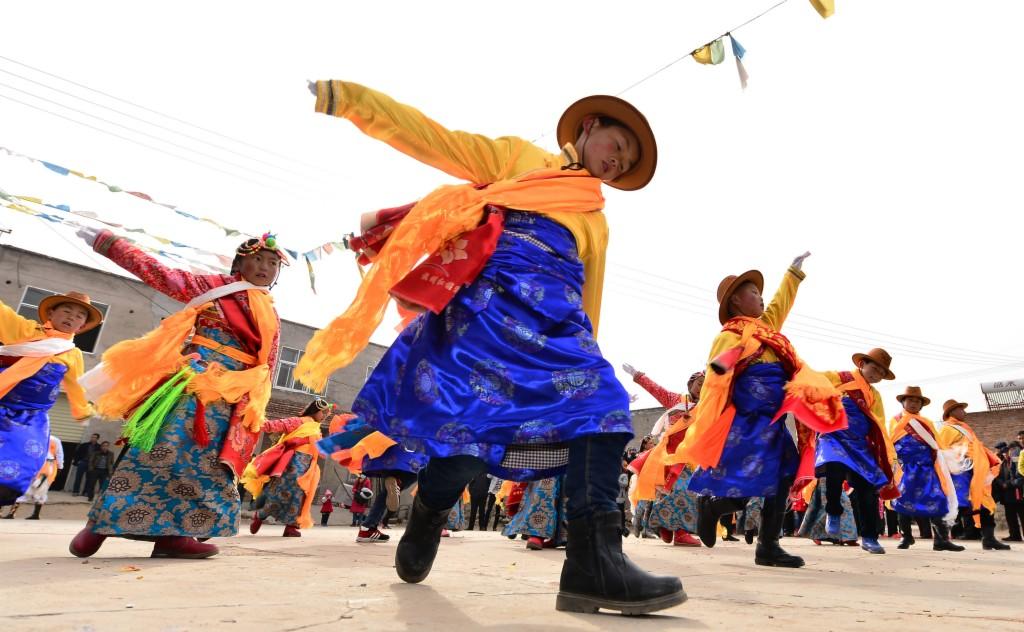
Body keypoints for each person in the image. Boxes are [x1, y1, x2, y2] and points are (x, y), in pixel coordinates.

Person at [303, 80, 683, 615]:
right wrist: (350, 100)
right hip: (487, 316)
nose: (615, 164)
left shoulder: (595, 218)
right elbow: (434, 137)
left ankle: (593, 564)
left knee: (604, 407)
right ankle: (429, 511)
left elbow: (585, 290)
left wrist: (585, 353)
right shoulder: (518, 159)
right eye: (616, 147)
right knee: (466, 447)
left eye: (624, 165)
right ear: (590, 128)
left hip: (555, 330)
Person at [69, 229, 285, 559]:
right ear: (239, 263)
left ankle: (174, 537)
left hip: (234, 396)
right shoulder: (215, 287)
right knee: (159, 450)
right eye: (257, 259)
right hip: (194, 384)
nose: (265, 267)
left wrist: (255, 404)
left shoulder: (269, 310)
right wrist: (107, 242)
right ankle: (99, 526)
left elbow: (268, 362)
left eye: (272, 263)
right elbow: (160, 274)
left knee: (209, 465)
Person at [672, 255, 848, 568]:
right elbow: (716, 379)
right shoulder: (729, 336)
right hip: (747, 422)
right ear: (736, 301)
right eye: (753, 292)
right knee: (746, 483)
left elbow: (780, 304)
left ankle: (768, 546)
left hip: (776, 420)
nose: (761, 298)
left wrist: (793, 274)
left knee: (782, 478)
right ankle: (713, 508)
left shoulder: (767, 331)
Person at [0, 291, 99, 504]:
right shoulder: (26, 330)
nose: (72, 317)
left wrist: (84, 411)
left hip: (31, 418)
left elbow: (77, 388)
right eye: (67, 310)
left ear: (81, 326)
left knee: (21, 462)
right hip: (2, 403)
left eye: (80, 315)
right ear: (51, 313)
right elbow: (2, 313)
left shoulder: (73, 354)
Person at [815, 348, 898, 555]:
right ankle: (833, 511)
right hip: (833, 437)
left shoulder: (874, 395)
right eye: (874, 368)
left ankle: (869, 537)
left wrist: (888, 455)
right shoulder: (838, 377)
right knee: (834, 467)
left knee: (867, 490)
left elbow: (878, 424)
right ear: (862, 364)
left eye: (881, 372)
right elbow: (811, 382)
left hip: (860, 445)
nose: (876, 374)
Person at [624, 366, 704, 547]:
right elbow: (656, 389)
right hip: (666, 454)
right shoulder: (675, 400)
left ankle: (667, 527)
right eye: (699, 384)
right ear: (690, 384)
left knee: (685, 491)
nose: (701, 388)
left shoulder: (706, 408)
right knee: (676, 491)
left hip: (688, 457)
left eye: (705, 385)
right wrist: (638, 376)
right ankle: (677, 531)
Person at [244, 398, 332, 538]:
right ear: (315, 411)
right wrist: (257, 419)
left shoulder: (316, 429)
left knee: (300, 495)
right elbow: (277, 425)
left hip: (308, 467)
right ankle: (260, 515)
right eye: (323, 412)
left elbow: (321, 450)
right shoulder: (299, 421)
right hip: (292, 463)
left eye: (326, 413)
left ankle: (291, 526)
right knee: (279, 491)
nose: (325, 416)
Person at [889, 386, 962, 552]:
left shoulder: (927, 423)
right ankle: (906, 536)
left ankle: (941, 540)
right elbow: (890, 441)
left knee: (938, 500)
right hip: (906, 469)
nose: (914, 403)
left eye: (917, 401)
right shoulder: (896, 420)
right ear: (903, 402)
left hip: (928, 469)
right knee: (902, 502)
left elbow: (937, 445)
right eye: (910, 400)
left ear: (921, 405)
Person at [937, 399, 1010, 551]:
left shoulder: (965, 428)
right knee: (957, 506)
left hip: (976, 472)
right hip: (960, 474)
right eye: (960, 409)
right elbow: (943, 452)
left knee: (985, 504)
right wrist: (962, 457)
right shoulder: (947, 429)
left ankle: (988, 539)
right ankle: (940, 539)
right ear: (952, 412)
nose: (965, 412)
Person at [3, 435, 64, 519]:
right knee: (40, 490)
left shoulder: (33, 436)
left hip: (37, 465)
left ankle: (14, 513)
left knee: (27, 489)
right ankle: (34, 514)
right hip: (47, 467)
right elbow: (59, 454)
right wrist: (60, 467)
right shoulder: (55, 440)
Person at [994, 442, 1024, 541]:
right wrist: (1002, 483)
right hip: (1007, 495)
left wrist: (1008, 484)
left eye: (1007, 452)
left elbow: (1019, 478)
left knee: (1022, 516)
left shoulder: (1016, 462)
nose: (1005, 454)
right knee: (1010, 517)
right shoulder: (1003, 464)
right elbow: (998, 476)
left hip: (1018, 494)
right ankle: (1015, 535)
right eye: (1003, 453)